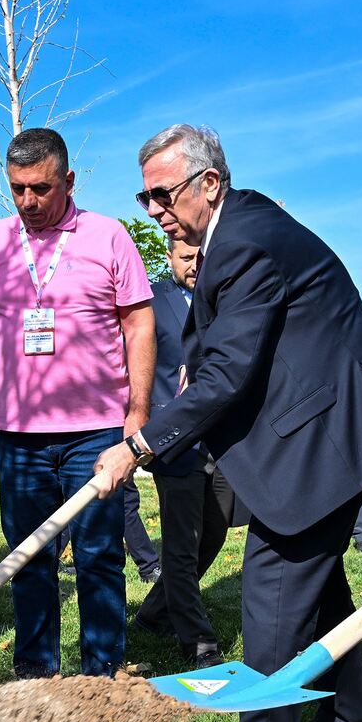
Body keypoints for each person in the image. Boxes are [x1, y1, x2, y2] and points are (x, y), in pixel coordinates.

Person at [94, 124, 362, 722]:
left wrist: (141, 443)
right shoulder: (236, 227)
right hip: (327, 413)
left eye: (161, 194)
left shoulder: (242, 240)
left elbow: (231, 370)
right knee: (318, 589)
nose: (153, 210)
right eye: (143, 195)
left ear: (208, 183)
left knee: (274, 583)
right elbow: (222, 332)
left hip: (326, 428)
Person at [0, 127, 155, 678]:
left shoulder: (108, 236)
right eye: (17, 189)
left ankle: (102, 675)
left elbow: (139, 323)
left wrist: (138, 411)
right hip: (20, 436)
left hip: (96, 433)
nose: (27, 202)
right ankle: (35, 674)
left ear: (68, 181)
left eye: (40, 189)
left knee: (98, 556)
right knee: (28, 558)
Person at [132, 237, 241, 664]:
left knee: (213, 533)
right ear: (169, 257)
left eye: (201, 257)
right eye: (185, 258)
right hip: (173, 439)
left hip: (221, 437)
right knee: (181, 543)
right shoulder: (153, 302)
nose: (194, 265)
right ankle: (199, 643)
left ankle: (156, 612)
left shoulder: (224, 300)